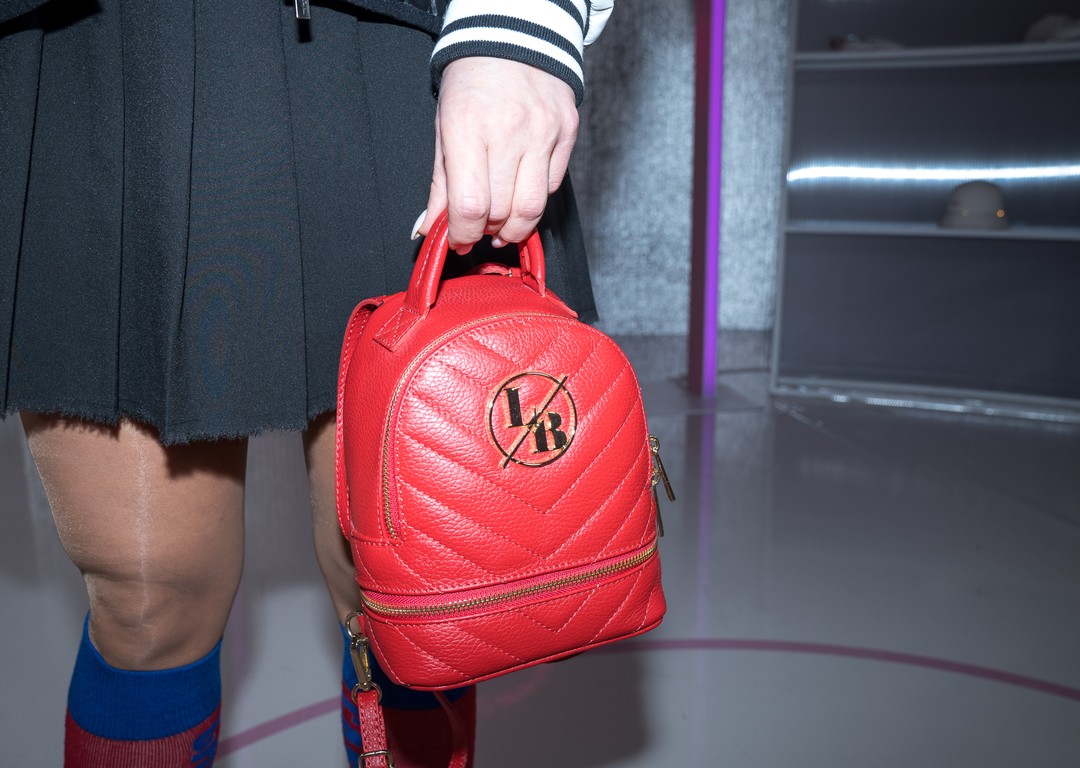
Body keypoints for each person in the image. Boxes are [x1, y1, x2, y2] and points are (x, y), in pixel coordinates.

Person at [0, 0, 614, 765]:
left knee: (414, 593)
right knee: (149, 601)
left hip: (384, 41)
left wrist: (522, 20)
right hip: (116, 45)